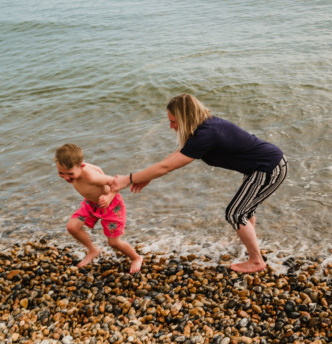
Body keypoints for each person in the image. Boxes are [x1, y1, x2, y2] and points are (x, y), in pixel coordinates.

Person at [108, 93, 288, 273]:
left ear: (185, 118)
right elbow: (174, 156)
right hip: (262, 166)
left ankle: (256, 260)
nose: (171, 126)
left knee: (235, 213)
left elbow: (166, 167)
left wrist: (127, 179)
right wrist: (145, 176)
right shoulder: (202, 128)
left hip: (269, 168)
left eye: (173, 121)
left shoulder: (206, 134)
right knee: (244, 210)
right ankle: (247, 244)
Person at [55, 143, 143, 273]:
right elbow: (97, 167)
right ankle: (93, 250)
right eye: (61, 173)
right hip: (91, 204)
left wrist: (108, 196)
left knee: (114, 243)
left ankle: (136, 258)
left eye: (70, 174)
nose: (66, 177)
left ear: (81, 166)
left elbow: (115, 182)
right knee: (72, 227)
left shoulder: (90, 176)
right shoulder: (80, 167)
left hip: (111, 205)